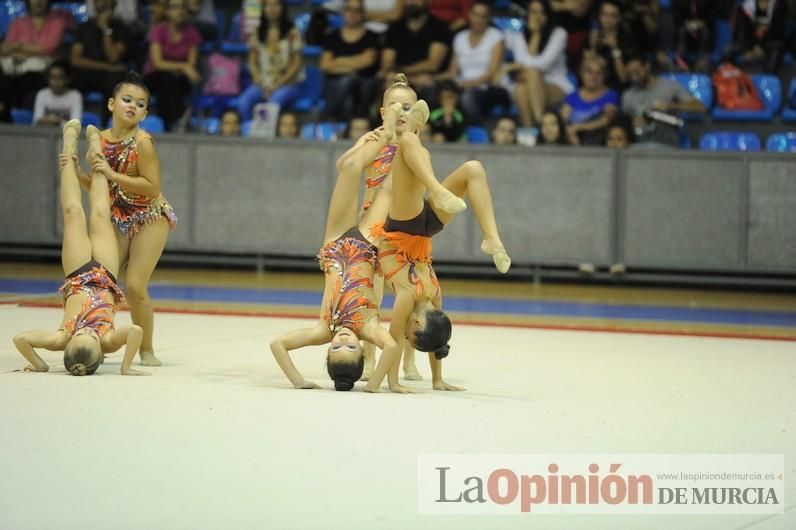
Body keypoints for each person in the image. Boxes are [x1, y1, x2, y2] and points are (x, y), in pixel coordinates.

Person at [372, 74, 511, 390]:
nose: (401, 110)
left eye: (408, 107)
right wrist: (435, 380)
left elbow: (406, 334)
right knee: (463, 165)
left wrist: (419, 382)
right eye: (396, 107)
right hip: (416, 229)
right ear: (382, 112)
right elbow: (418, 333)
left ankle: (492, 238)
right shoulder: (428, 295)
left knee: (413, 144)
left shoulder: (421, 295)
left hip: (405, 228)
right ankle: (440, 192)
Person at [270, 113, 416, 393]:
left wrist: (298, 380)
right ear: (361, 350)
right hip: (368, 246)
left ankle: (384, 134)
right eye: (351, 348)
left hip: (335, 244)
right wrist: (374, 385)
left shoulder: (322, 332)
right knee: (391, 186)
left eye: (337, 348)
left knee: (350, 166)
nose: (344, 340)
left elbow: (277, 345)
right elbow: (390, 345)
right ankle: (407, 132)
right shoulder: (369, 329)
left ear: (327, 351)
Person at [13, 119, 147, 376]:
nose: (86, 330)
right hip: (106, 275)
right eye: (91, 336)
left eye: (80, 335)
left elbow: (20, 339)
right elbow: (135, 331)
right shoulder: (107, 341)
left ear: (68, 345)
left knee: (73, 212)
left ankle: (69, 146)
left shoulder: (60, 339)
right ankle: (96, 146)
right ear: (100, 348)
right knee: (100, 213)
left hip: (77, 273)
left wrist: (40, 364)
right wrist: (125, 367)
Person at [90, 72, 178, 366]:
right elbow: (100, 186)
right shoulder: (99, 140)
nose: (133, 106)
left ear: (145, 113)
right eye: (127, 100)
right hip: (120, 215)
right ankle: (98, 339)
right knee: (106, 280)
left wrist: (112, 174)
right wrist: (77, 171)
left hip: (150, 215)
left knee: (136, 285)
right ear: (112, 104)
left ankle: (146, 348)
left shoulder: (143, 142)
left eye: (140, 104)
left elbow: (152, 187)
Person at [503, 0, 573, 127]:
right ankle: (532, 132)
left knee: (533, 74)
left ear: (548, 15)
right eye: (533, 12)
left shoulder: (559, 33)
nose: (537, 16)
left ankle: (540, 126)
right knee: (520, 89)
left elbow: (542, 65)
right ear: (527, 14)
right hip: (527, 83)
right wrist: (534, 35)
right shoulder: (519, 35)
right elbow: (523, 63)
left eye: (542, 12)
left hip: (556, 84)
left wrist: (537, 33)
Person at [238, 0, 305, 122]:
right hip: (263, 84)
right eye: (268, 5)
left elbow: (296, 64)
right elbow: (252, 62)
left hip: (287, 84)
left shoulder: (293, 32)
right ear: (263, 8)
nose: (272, 8)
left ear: (282, 7)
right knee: (244, 101)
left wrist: (277, 84)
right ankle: (248, 133)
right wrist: (260, 82)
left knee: (273, 103)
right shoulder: (257, 32)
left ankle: (265, 137)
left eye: (276, 4)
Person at [621, 53, 705, 147]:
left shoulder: (670, 86)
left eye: (637, 72)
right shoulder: (628, 95)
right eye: (630, 74)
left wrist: (671, 106)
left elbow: (700, 107)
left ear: (647, 67)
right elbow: (624, 126)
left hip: (667, 147)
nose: (634, 77)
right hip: (639, 147)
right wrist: (631, 123)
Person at [143, 0, 203, 131]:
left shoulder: (192, 33)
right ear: (168, 11)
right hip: (154, 76)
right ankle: (177, 122)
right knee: (166, 79)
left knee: (172, 82)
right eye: (175, 7)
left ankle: (171, 125)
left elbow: (191, 65)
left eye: (183, 7)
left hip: (180, 79)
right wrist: (182, 67)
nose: (179, 11)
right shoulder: (158, 30)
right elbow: (158, 63)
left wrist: (182, 68)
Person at [320, 0, 380, 121]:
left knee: (350, 83)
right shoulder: (333, 36)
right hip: (335, 86)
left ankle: (329, 119)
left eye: (357, 10)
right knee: (347, 85)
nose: (352, 14)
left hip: (363, 87)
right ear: (343, 12)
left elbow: (368, 61)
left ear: (362, 13)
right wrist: (355, 64)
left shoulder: (371, 36)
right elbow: (325, 65)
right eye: (349, 9)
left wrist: (338, 61)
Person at [560, 55, 619, 145]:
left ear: (604, 76)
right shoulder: (572, 96)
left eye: (598, 73)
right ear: (582, 74)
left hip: (599, 143)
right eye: (589, 72)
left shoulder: (610, 95)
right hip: (573, 141)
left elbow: (605, 121)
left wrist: (577, 127)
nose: (593, 77)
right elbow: (562, 120)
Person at [33, 60, 83, 127]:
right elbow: (37, 121)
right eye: (52, 77)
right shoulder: (42, 94)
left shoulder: (75, 96)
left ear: (68, 79)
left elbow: (75, 126)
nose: (55, 82)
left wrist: (58, 121)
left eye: (60, 78)